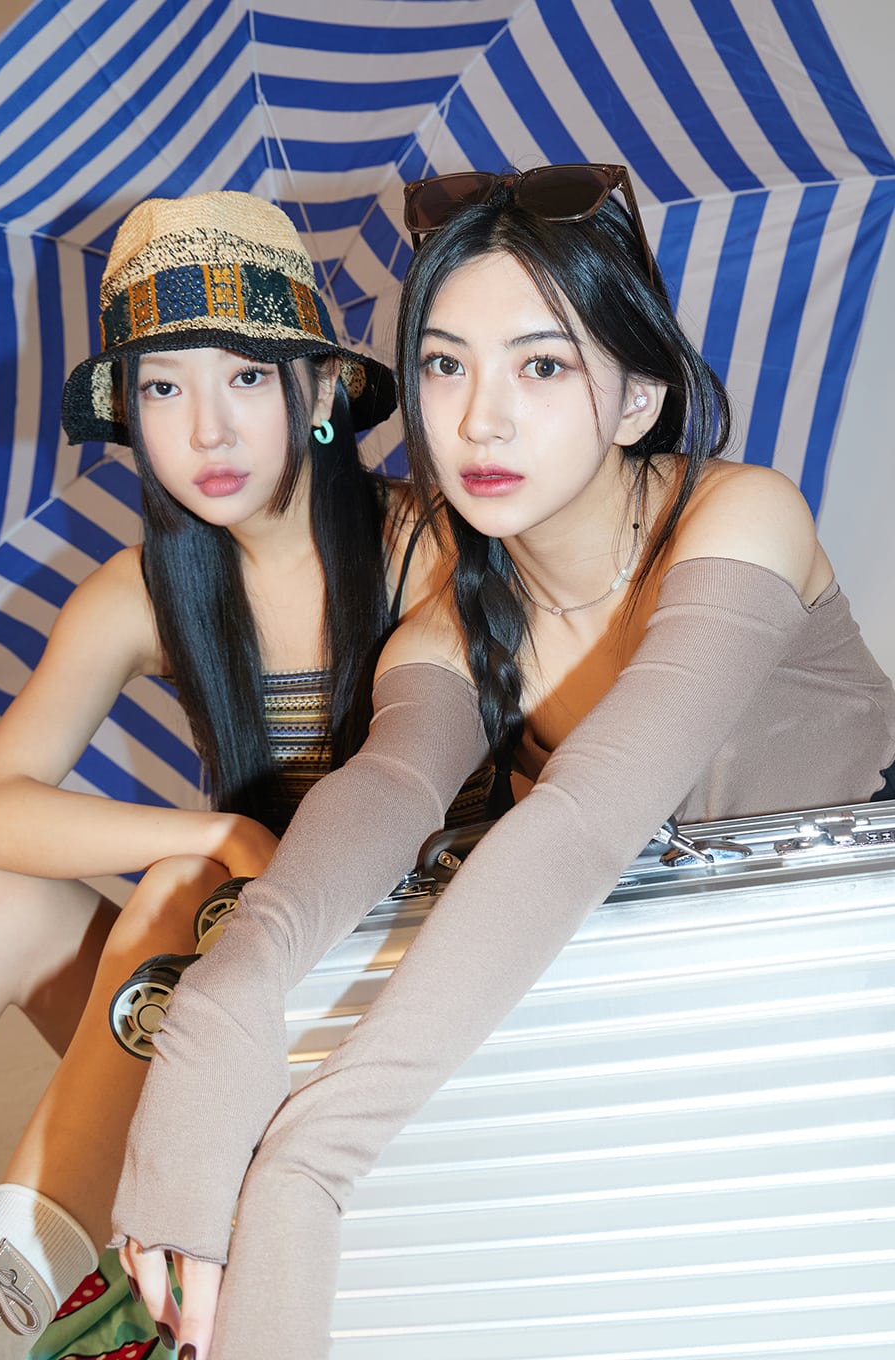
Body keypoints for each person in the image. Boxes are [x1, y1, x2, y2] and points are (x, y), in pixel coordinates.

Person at [110, 164, 895, 1360]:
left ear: (636, 397)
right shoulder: (451, 624)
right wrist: (230, 988)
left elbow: (582, 820)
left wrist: (317, 1147)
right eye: (444, 364)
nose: (478, 419)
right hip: (658, 1030)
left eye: (540, 366)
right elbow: (384, 791)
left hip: (842, 1013)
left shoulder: (743, 520)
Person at [0, 189, 490, 1359]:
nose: (206, 431)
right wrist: (213, 836)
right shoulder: (137, 592)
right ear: (128, 414)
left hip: (406, 1010)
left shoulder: (428, 547)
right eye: (163, 388)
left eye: (246, 378)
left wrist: (212, 870)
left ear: (324, 390)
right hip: (230, 1010)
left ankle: (1, 1308)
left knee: (183, 896)